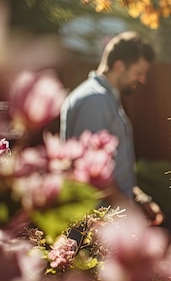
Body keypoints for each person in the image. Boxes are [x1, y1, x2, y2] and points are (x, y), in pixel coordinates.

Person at [60, 31, 164, 225]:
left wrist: (139, 198)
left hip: (108, 220)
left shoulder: (107, 99)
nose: (142, 80)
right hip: (93, 228)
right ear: (119, 66)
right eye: (138, 73)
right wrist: (129, 213)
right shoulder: (95, 100)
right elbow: (92, 168)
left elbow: (114, 166)